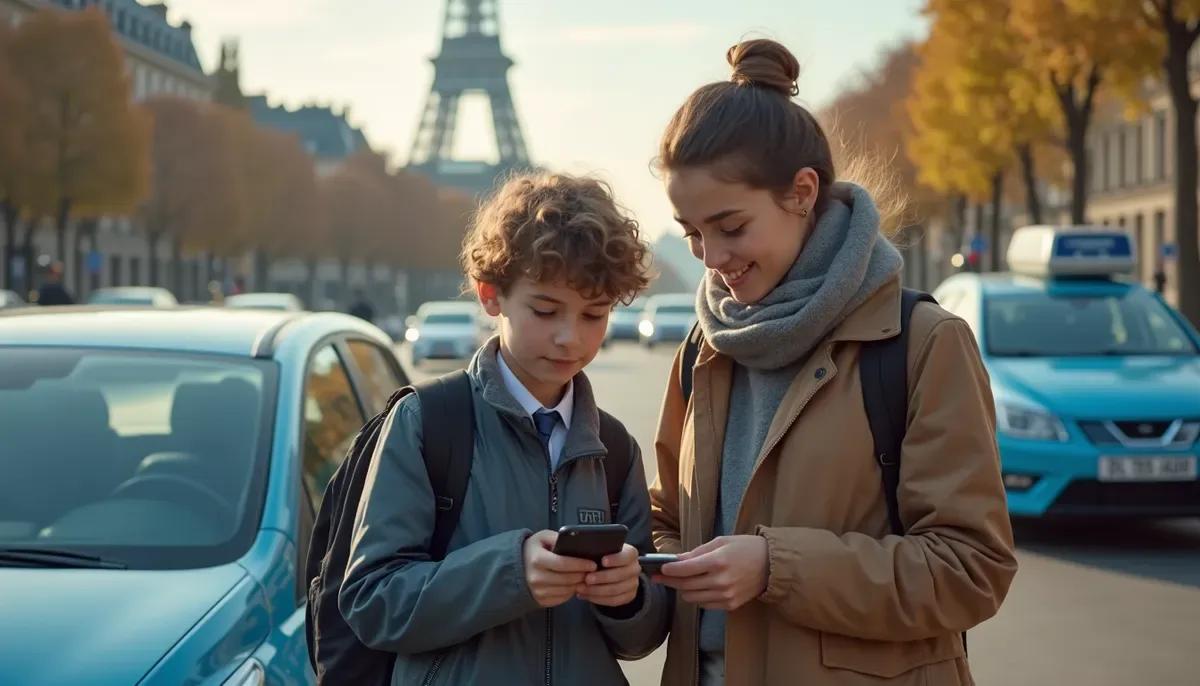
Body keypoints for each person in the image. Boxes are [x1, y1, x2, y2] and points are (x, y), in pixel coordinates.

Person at [648, 40, 1018, 686]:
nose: (709, 257)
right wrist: (638, 574)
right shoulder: (703, 348)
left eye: (730, 227)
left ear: (801, 193)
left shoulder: (925, 343)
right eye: (692, 233)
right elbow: (668, 522)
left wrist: (775, 566)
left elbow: (970, 571)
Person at [338, 172, 670, 684]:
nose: (569, 337)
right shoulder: (426, 421)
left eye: (594, 314)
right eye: (545, 309)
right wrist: (511, 572)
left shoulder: (616, 446)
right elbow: (370, 602)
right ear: (490, 293)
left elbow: (642, 637)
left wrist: (629, 598)